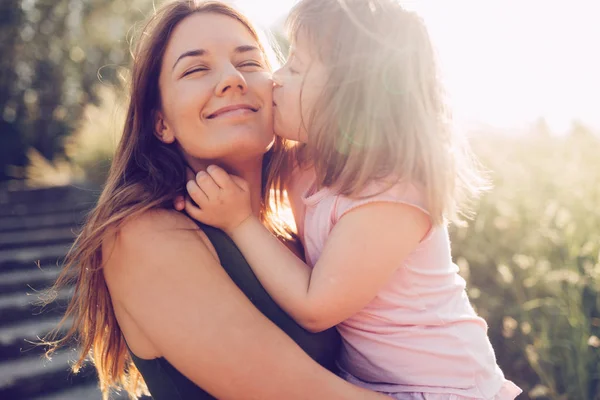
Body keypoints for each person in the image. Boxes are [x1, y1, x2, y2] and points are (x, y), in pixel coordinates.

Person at [43, 1, 393, 399]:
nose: (232, 79)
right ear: (161, 122)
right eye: (195, 69)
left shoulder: (298, 230)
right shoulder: (144, 235)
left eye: (249, 63)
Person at [182, 0, 522, 399]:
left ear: (348, 97)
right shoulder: (306, 163)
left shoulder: (391, 194)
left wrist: (239, 222)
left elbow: (315, 307)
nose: (275, 78)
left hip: (453, 389)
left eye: (295, 68)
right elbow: (241, 159)